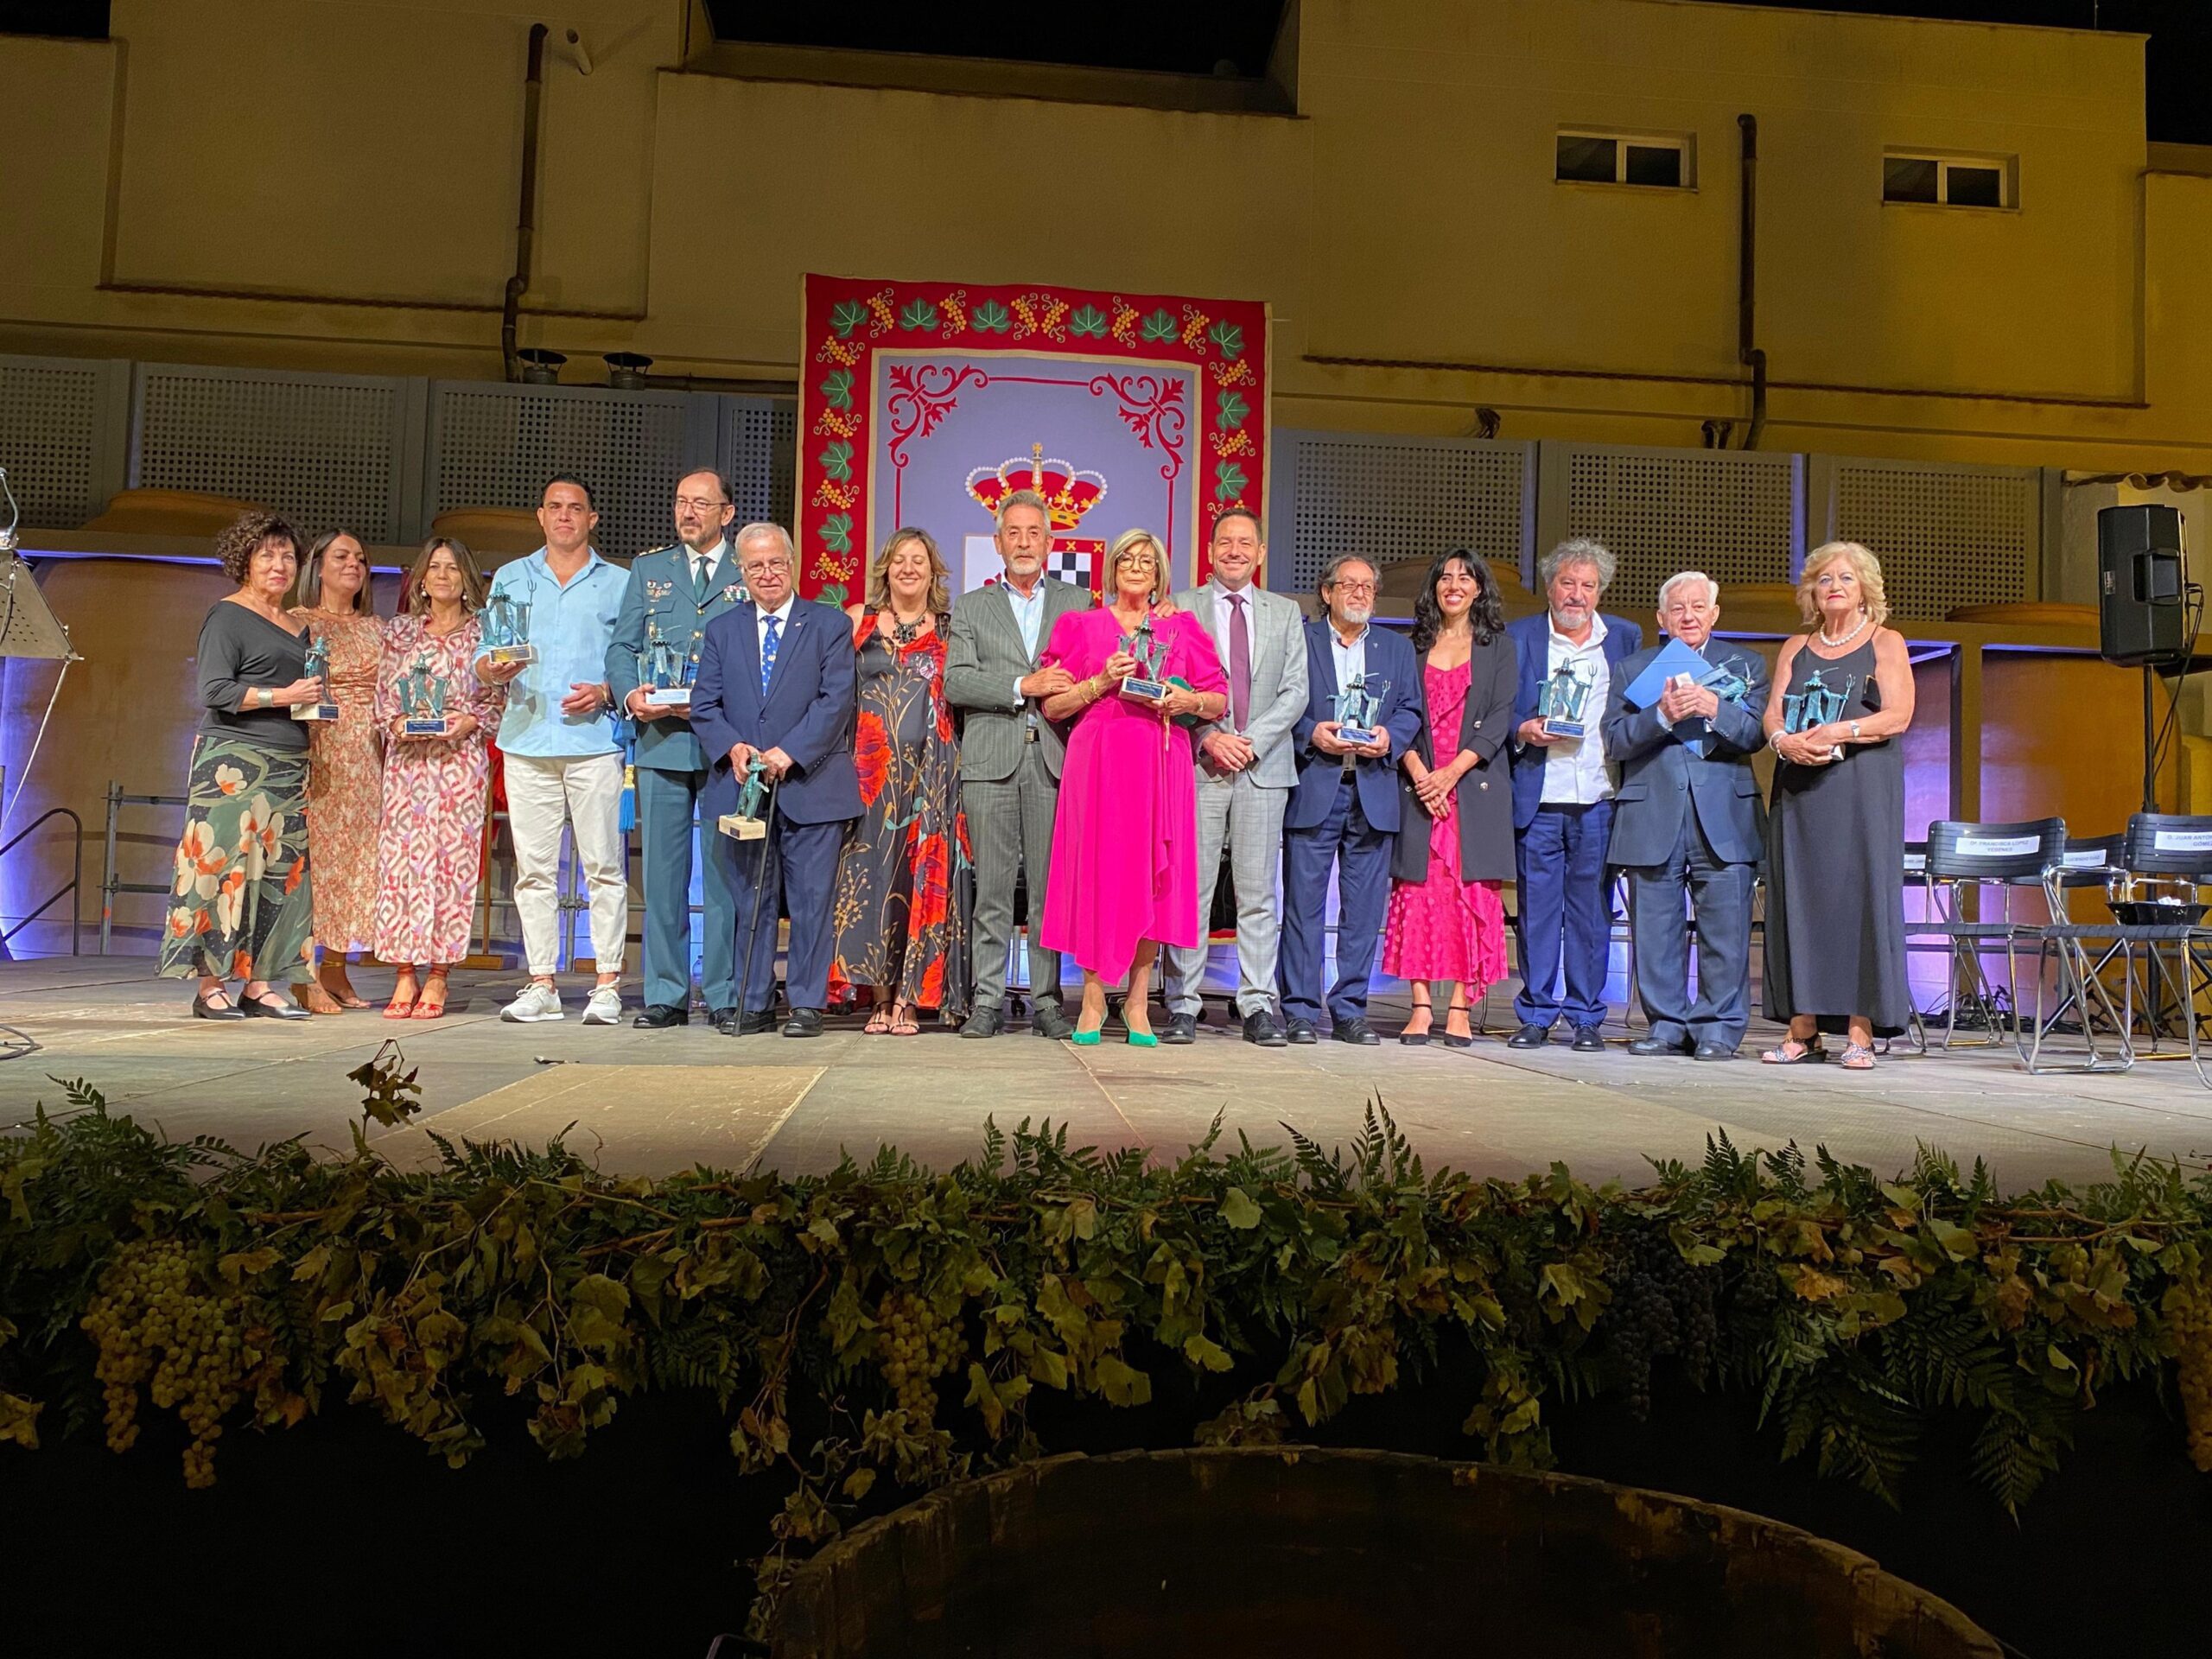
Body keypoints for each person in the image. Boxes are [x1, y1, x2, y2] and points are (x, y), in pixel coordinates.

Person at [1037, 529, 1229, 1045]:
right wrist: (1100, 681)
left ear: (1160, 573)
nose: (1138, 567)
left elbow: (1218, 698)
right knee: (1098, 875)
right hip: (1098, 762)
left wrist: (1187, 702)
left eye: (1148, 561)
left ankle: (1139, 1002)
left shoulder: (1180, 628)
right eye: (1128, 559)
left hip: (1160, 761)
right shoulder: (1081, 625)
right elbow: (1053, 706)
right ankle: (1093, 999)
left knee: (1152, 879)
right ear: (1113, 569)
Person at [690, 524, 863, 1038]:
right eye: (755, 566)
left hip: (813, 785)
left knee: (812, 902)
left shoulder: (829, 624)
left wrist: (791, 751)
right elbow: (704, 705)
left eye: (776, 563)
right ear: (741, 573)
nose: (767, 574)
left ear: (792, 564)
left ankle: (807, 1003)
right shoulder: (722, 630)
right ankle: (754, 1000)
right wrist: (733, 746)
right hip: (744, 790)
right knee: (752, 900)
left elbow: (836, 700)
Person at [474, 474, 629, 1025]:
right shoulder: (512, 577)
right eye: (555, 507)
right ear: (540, 516)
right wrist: (492, 669)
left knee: (603, 867)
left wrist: (607, 690)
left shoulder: (619, 582)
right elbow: (485, 654)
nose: (565, 516)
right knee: (534, 872)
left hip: (595, 742)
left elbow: (632, 658)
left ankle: (607, 983)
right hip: (527, 738)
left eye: (576, 508)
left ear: (592, 519)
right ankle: (541, 983)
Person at [159, 511, 322, 1021]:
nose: (279, 565)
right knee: (222, 866)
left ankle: (260, 985)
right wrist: (282, 695)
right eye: (266, 555)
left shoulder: (299, 626)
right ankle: (210, 987)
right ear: (244, 562)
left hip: (288, 758)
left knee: (277, 873)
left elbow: (302, 694)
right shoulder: (227, 615)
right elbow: (214, 690)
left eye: (287, 556)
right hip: (233, 758)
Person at [1600, 571, 1769, 1061]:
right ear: (1661, 618)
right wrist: (1661, 716)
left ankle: (1718, 1029)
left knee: (1727, 931)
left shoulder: (1747, 664)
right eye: (1677, 608)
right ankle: (1667, 1026)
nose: (1688, 616)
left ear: (1714, 614)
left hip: (1725, 817)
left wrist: (1715, 707)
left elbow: (1757, 735)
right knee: (1655, 930)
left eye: (1698, 607)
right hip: (1652, 814)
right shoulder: (1634, 669)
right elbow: (1614, 740)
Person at [1760, 541, 1916, 1070]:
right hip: (1800, 787)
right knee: (1800, 898)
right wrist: (1783, 741)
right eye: (1825, 579)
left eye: (1846, 578)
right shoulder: (1795, 646)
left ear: (1865, 588)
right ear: (1812, 591)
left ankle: (1859, 1030)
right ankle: (1802, 1030)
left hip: (1860, 788)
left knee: (1858, 898)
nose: (1834, 587)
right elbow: (1774, 713)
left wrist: (1838, 731)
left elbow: (1898, 715)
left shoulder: (1885, 641)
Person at [943, 490, 1092, 1039]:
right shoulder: (972, 606)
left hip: (1055, 761)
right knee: (993, 889)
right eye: (1014, 533)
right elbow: (956, 681)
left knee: (1052, 891)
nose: (1024, 543)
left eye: (1034, 533)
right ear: (998, 543)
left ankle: (1048, 1000)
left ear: (1050, 543)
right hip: (990, 763)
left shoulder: (1079, 603)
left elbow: (1098, 670)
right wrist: (1022, 685)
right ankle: (987, 1000)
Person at [607, 469, 750, 1029]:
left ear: (727, 513)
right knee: (663, 878)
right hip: (661, 741)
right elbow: (622, 648)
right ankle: (665, 994)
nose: (688, 512)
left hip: (724, 745)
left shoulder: (748, 567)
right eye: (681, 502)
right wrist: (630, 695)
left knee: (723, 876)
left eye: (701, 504)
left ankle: (722, 993)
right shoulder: (650, 569)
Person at [1160, 509, 1307, 1047]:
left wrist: (1248, 741)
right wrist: (1209, 738)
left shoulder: (1285, 613)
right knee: (1191, 891)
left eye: (1246, 543)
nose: (1235, 551)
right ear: (1210, 550)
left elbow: (1296, 691)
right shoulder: (1181, 607)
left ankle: (1257, 1004)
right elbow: (1167, 682)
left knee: (1258, 894)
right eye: (1226, 542)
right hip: (1200, 765)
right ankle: (1182, 1003)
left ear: (1261, 553)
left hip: (1262, 768)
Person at [827, 527, 971, 1033]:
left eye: (919, 560)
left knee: (921, 876)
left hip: (933, 775)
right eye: (899, 560)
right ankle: (879, 996)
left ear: (934, 573)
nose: (908, 568)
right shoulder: (858, 620)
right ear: (885, 569)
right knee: (872, 878)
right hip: (870, 777)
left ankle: (910, 999)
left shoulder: (953, 628)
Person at [1505, 537, 1643, 1052]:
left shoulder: (1625, 638)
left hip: (1600, 799)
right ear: (1549, 586)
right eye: (1568, 583)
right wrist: (1523, 730)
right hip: (1538, 797)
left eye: (1588, 585)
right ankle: (1537, 1013)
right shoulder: (1519, 636)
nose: (1577, 595)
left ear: (1600, 591)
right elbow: (1498, 710)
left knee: (1591, 914)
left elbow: (1635, 711)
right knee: (1538, 914)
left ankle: (1587, 1017)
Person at [1279, 555, 1424, 1046]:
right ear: (1327, 593)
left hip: (1373, 790)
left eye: (1368, 587)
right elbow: (1280, 705)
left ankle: (1350, 1010)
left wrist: (1390, 736)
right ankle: (1300, 1010)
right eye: (1349, 585)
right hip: (1315, 785)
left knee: (1362, 912)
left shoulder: (1395, 648)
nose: (1360, 594)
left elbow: (1410, 710)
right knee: (1303, 908)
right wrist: (1310, 733)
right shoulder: (1301, 640)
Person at [1382, 550, 1517, 1046]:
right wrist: (1422, 776)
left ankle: (1460, 1007)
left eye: (1465, 577)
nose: (1454, 585)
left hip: (1471, 787)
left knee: (1469, 898)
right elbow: (1396, 713)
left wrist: (1451, 774)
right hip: (1419, 787)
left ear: (1479, 588)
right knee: (1417, 897)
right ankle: (1420, 1006)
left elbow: (1500, 719)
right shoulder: (1410, 647)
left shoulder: (1499, 647)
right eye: (1445, 577)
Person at [371, 537, 505, 1019]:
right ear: (422, 579)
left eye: (452, 567)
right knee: (401, 866)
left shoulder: (485, 632)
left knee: (452, 866)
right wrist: (397, 724)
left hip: (459, 764)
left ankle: (439, 975)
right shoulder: (400, 631)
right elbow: (383, 697)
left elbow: (499, 699)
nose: (443, 575)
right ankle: (404, 972)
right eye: (434, 567)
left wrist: (471, 720)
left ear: (466, 577)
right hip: (407, 767)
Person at [287, 528, 385, 1014]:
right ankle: (303, 972)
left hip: (368, 752)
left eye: (360, 559)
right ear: (318, 566)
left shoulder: (378, 627)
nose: (353, 565)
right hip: (318, 746)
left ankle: (337, 967)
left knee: (359, 862)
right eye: (342, 556)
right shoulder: (297, 621)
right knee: (316, 860)